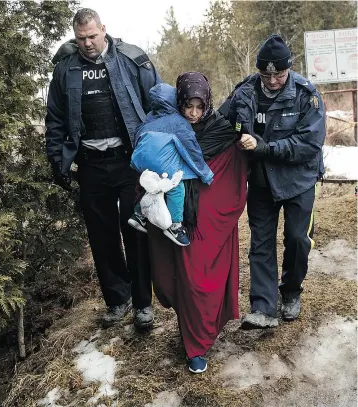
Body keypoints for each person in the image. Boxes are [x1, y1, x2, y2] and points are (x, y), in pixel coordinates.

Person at [45, 8, 161, 329]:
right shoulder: (66, 70)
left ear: (103, 30)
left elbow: (157, 104)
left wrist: (160, 151)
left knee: (135, 230)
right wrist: (59, 162)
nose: (88, 43)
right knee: (101, 235)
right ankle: (117, 299)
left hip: (130, 161)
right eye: (81, 38)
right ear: (75, 37)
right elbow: (54, 119)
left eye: (93, 36)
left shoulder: (132, 59)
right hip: (91, 165)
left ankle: (142, 303)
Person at [219, 34, 326, 329]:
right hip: (261, 182)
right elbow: (220, 122)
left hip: (299, 180)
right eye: (266, 74)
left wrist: (265, 148)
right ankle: (263, 308)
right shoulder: (245, 91)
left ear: (288, 69)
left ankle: (291, 291)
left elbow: (308, 144)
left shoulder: (307, 95)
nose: (273, 80)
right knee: (261, 243)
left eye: (278, 74)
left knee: (296, 239)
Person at [145, 72, 247, 373]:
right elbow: (149, 162)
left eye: (199, 106)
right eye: (188, 105)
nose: (193, 113)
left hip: (209, 220)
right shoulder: (165, 130)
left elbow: (230, 172)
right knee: (184, 281)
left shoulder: (220, 132)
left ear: (208, 105)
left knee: (206, 280)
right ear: (178, 103)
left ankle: (199, 343)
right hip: (179, 220)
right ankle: (194, 341)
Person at [128, 83, 214, 247]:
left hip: (140, 162)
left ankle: (138, 214)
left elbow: (137, 138)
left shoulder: (147, 120)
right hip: (162, 163)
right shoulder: (178, 122)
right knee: (175, 187)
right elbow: (191, 150)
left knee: (155, 187)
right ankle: (175, 226)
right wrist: (206, 174)